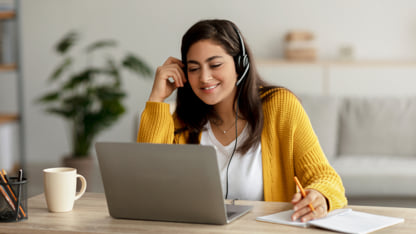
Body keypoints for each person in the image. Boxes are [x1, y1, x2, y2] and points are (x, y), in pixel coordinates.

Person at [137, 19, 347, 222]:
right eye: (194, 68)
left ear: (241, 65)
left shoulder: (280, 106)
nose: (204, 77)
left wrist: (319, 196)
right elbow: (147, 185)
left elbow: (326, 178)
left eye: (215, 65)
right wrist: (156, 99)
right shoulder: (183, 121)